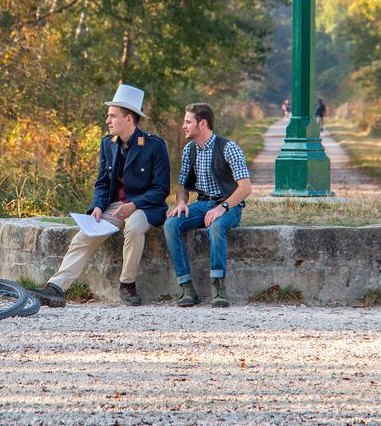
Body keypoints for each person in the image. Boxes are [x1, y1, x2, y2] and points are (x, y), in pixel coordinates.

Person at [30, 84, 170, 308]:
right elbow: (103, 182)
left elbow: (161, 189)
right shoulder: (108, 143)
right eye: (109, 116)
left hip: (146, 207)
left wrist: (134, 205)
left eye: (112, 116)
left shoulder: (154, 145)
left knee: (133, 228)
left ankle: (127, 284)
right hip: (116, 206)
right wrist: (97, 206)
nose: (108, 121)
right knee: (82, 237)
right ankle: (55, 288)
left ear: (129, 119)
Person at [163, 103, 251, 308]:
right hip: (202, 204)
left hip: (229, 206)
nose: (183, 126)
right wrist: (181, 203)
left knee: (217, 226)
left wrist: (223, 207)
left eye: (187, 121)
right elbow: (183, 186)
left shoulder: (229, 148)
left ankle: (218, 287)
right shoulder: (189, 150)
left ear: (202, 124)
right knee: (171, 224)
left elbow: (246, 188)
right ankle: (186, 288)